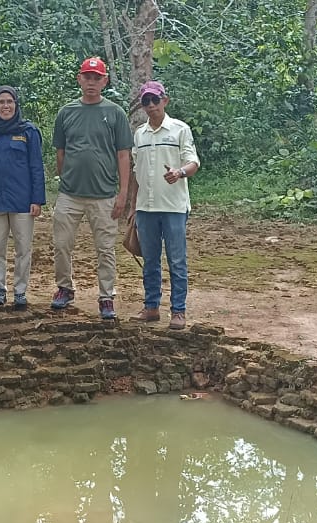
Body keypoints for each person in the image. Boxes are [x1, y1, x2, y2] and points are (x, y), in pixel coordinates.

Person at [50, 57, 132, 319]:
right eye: (87, 77)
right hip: (70, 194)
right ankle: (64, 288)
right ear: (79, 78)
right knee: (62, 244)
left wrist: (123, 194)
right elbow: (60, 153)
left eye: (97, 78)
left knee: (105, 249)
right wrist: (66, 178)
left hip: (104, 195)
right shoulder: (66, 112)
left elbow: (123, 155)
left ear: (104, 81)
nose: (92, 82)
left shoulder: (115, 113)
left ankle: (106, 296)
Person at [126, 81, 200, 330]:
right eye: (145, 101)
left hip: (174, 207)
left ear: (164, 101)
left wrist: (179, 172)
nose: (150, 106)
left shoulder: (179, 130)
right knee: (150, 260)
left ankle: (178, 310)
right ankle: (151, 306)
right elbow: (136, 172)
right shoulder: (140, 134)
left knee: (177, 260)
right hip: (146, 208)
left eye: (154, 100)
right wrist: (133, 206)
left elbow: (194, 162)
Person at [0, 86, 45, 309]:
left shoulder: (28, 132)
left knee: (23, 247)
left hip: (22, 201)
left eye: (10, 102)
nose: (5, 106)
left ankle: (20, 291)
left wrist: (37, 199)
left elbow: (36, 166)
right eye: (1, 102)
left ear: (16, 105)